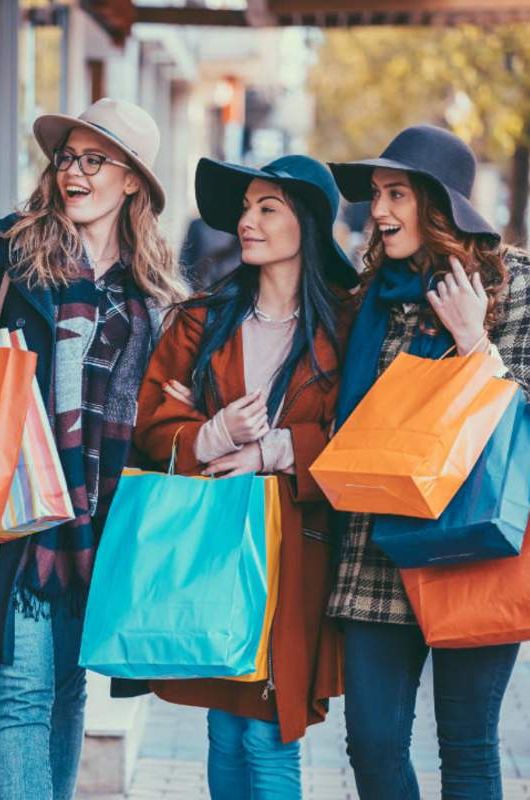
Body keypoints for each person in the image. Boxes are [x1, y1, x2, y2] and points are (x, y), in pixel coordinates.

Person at [0, 98, 188, 800]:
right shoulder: (12, 245)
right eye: (66, 158)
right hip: (19, 508)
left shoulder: (152, 285)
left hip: (105, 521)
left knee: (67, 693)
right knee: (20, 700)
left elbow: (159, 405)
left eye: (93, 160)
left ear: (132, 180)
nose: (72, 172)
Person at [325, 124, 530, 799]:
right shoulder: (373, 294)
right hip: (376, 541)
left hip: (474, 540)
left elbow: (529, 412)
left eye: (397, 193)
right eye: (375, 195)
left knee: (467, 745)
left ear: (440, 204)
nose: (380, 211)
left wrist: (469, 337)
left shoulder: (517, 283)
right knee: (370, 745)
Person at [125, 155, 358, 798]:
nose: (246, 221)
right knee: (225, 730)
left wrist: (277, 448)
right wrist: (211, 433)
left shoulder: (346, 326)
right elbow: (151, 424)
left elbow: (360, 436)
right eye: (245, 207)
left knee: (269, 731)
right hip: (210, 545)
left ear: (306, 225)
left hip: (296, 555)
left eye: (266, 208)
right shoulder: (202, 320)